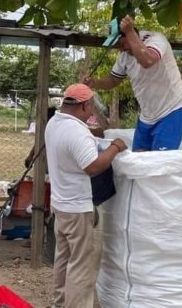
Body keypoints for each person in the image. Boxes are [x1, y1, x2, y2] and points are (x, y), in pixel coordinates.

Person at [45, 83, 127, 308]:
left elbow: (77, 143)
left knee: (63, 260)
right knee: (82, 266)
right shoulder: (77, 131)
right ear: (85, 104)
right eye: (92, 107)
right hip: (79, 210)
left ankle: (60, 304)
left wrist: (96, 136)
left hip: (60, 206)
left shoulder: (54, 123)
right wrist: (116, 147)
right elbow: (92, 166)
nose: (92, 112)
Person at [83, 15, 182, 151]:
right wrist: (94, 83)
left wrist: (129, 32)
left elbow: (148, 61)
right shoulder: (123, 56)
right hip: (147, 116)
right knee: (138, 158)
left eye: (122, 44)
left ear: (131, 33)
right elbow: (113, 80)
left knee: (159, 163)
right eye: (117, 47)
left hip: (174, 109)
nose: (121, 49)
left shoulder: (156, 40)